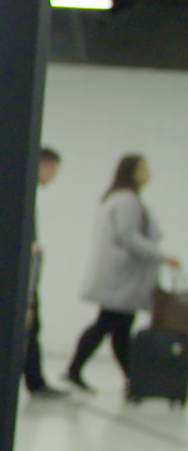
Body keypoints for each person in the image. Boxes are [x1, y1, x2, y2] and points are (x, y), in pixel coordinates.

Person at [66, 154, 178, 394]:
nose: (148, 173)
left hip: (121, 279)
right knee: (110, 323)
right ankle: (78, 370)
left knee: (118, 327)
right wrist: (161, 255)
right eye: (143, 168)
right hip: (121, 279)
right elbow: (129, 237)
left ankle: (131, 379)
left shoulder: (120, 199)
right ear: (132, 172)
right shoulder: (127, 201)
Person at [24, 146, 62, 395]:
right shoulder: (24, 193)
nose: (53, 176)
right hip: (25, 275)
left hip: (29, 272)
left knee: (32, 327)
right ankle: (35, 382)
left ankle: (35, 381)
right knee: (29, 326)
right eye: (53, 170)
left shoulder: (29, 193)